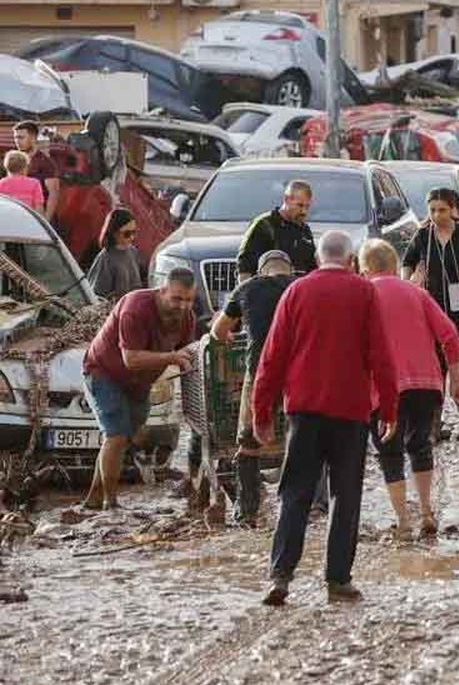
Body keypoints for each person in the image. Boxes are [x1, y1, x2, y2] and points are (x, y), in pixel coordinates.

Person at [254, 230, 397, 606]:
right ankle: (337, 581)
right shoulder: (365, 292)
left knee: (295, 492)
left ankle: (281, 577)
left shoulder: (296, 292)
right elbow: (381, 355)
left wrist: (261, 410)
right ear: (351, 261)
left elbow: (272, 357)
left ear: (318, 260)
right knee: (345, 495)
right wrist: (389, 408)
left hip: (303, 410)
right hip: (350, 411)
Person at [358, 239, 459, 536]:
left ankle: (403, 520)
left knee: (389, 453)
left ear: (365, 270)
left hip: (383, 389)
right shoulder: (417, 293)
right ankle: (427, 512)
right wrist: (456, 377)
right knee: (420, 444)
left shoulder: (364, 296)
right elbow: (450, 335)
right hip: (426, 385)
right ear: (393, 266)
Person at [81, 270, 197, 510]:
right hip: (104, 372)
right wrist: (172, 357)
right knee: (116, 435)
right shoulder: (135, 308)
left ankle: (93, 499)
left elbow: (189, 354)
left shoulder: (187, 317)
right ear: (161, 291)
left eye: (188, 300)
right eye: (176, 299)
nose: (182, 306)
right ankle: (110, 504)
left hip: (140, 382)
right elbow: (131, 359)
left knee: (125, 437)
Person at [210, 249, 297, 526]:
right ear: (289, 269)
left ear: (262, 271)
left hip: (261, 370)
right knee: (305, 434)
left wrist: (230, 336)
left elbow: (218, 332)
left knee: (248, 441)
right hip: (299, 370)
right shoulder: (300, 286)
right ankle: (310, 505)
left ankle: (247, 510)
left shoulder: (247, 288)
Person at [403, 187, 459, 439]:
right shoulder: (424, 235)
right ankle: (434, 426)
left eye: (442, 210)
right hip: (433, 312)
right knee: (436, 370)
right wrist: (409, 281)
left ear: (453, 209)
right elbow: (407, 259)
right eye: (432, 210)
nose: (437, 215)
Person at [237, 179, 316, 279]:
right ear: (286, 199)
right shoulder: (264, 224)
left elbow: (312, 268)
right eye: (299, 205)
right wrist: (247, 292)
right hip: (268, 290)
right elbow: (244, 266)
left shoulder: (305, 231)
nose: (304, 211)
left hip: (296, 291)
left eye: (307, 206)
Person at [87, 208, 144, 301]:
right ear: (114, 232)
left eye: (134, 232)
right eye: (127, 233)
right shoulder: (105, 258)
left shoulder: (133, 252)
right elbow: (97, 295)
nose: (132, 237)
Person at [13, 120, 59, 223]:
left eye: (21, 137)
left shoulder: (45, 163)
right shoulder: (13, 160)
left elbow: (54, 193)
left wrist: (45, 221)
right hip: (17, 215)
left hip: (39, 216)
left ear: (33, 138)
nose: (17, 141)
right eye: (15, 137)